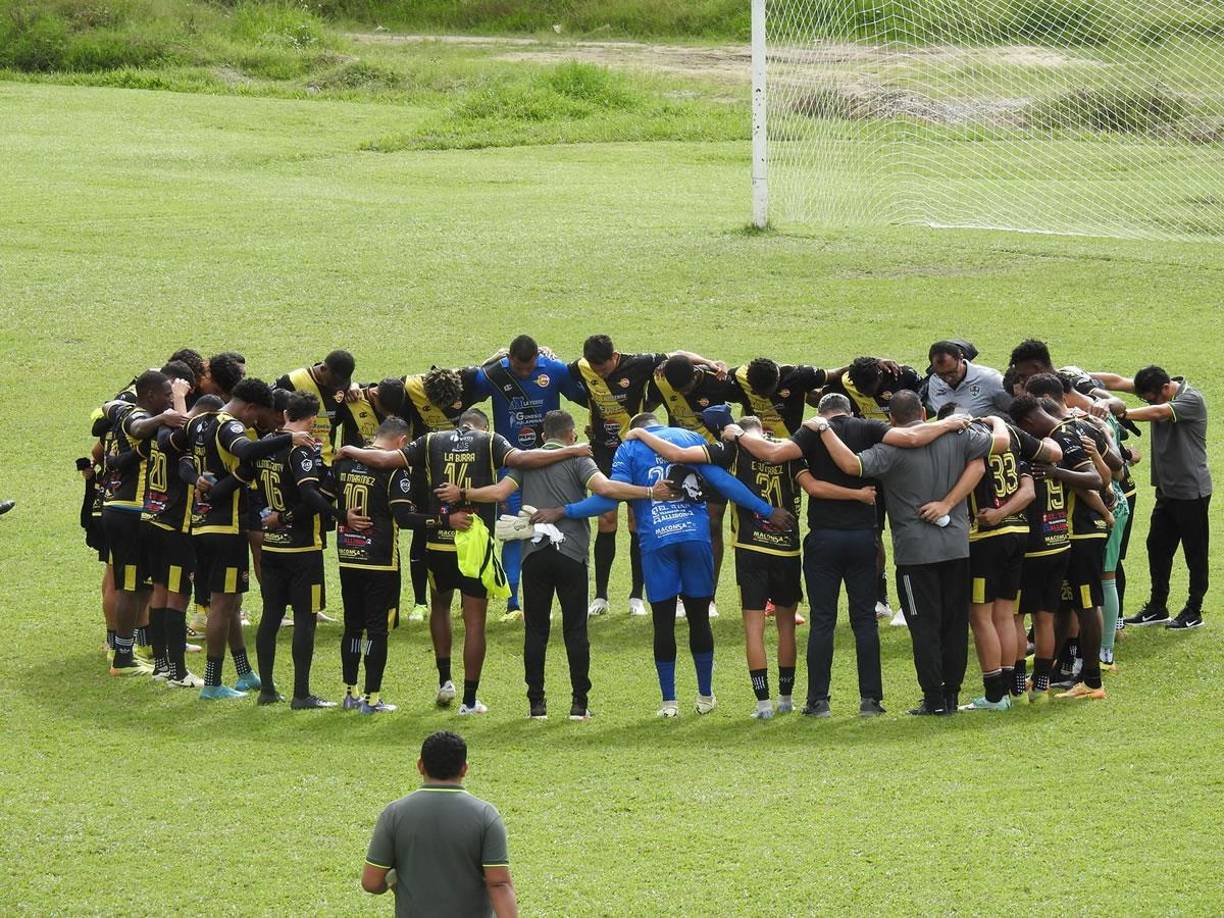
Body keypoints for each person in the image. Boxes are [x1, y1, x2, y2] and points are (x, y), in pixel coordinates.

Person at [336, 408, 590, 716]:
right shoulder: (489, 441)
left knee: (439, 607)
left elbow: (384, 460)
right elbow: (522, 461)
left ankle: (445, 681)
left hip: (438, 543)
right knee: (474, 622)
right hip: (473, 542)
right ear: (482, 427)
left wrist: (349, 448)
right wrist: (574, 449)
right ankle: (470, 701)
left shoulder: (430, 441)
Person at [733, 393, 974, 717]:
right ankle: (870, 701)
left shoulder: (813, 432)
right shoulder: (869, 428)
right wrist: (947, 423)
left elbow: (773, 454)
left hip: (823, 539)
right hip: (864, 538)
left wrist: (736, 432)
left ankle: (818, 701)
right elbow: (914, 435)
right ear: (849, 411)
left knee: (822, 621)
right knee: (864, 622)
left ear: (822, 413)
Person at [554, 412, 795, 717]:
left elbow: (607, 500)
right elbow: (724, 482)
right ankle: (706, 697)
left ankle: (669, 703)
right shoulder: (689, 438)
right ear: (658, 425)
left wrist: (564, 510)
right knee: (698, 618)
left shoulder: (629, 447)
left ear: (635, 429)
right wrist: (766, 509)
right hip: (696, 539)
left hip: (658, 543)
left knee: (663, 622)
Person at [440, 410, 671, 719]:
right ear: (572, 435)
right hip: (571, 553)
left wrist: (463, 492)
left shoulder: (525, 461)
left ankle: (537, 706)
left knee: (536, 631)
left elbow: (498, 494)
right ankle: (579, 705)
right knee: (576, 630)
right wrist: (649, 492)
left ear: (541, 436)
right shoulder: (579, 459)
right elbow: (606, 490)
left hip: (533, 555)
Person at [818, 391, 1009, 715]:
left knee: (924, 626)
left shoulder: (889, 450)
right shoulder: (959, 435)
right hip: (956, 548)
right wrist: (997, 420)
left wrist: (823, 431)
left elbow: (851, 465)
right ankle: (951, 696)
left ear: (891, 420)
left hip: (914, 553)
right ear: (923, 410)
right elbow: (1000, 444)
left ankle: (933, 698)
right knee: (953, 624)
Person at [628, 413, 805, 719]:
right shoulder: (790, 448)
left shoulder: (728, 451)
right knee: (786, 627)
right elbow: (810, 484)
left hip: (750, 549)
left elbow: (679, 456)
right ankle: (784, 699)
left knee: (753, 629)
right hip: (787, 549)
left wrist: (641, 438)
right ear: (763, 431)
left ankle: (762, 706)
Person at [568, 335, 723, 618]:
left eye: (602, 367)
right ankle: (600, 595)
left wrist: (709, 362)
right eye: (594, 368)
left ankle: (635, 596)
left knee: (635, 522)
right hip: (602, 450)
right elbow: (552, 368)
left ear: (614, 357)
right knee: (606, 519)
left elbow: (677, 353)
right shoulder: (583, 367)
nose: (599, 373)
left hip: (637, 451)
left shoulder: (639, 364)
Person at [183, 378, 312, 700]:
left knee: (231, 603)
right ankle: (212, 684)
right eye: (257, 416)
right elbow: (247, 450)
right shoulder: (230, 426)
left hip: (201, 524)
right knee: (222, 605)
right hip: (225, 527)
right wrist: (286, 439)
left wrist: (195, 478)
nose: (255, 423)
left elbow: (181, 458)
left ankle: (244, 673)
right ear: (251, 407)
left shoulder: (199, 422)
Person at [335, 417, 445, 714]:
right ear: (401, 442)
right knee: (377, 631)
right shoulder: (396, 470)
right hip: (381, 562)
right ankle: (372, 698)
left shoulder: (344, 461)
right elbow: (406, 518)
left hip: (348, 556)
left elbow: (326, 501)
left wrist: (343, 518)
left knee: (353, 627)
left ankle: (350, 692)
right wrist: (443, 520)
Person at [1009, 387, 1112, 701]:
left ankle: (1092, 680)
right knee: (1064, 605)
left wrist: (1056, 472)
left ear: (1028, 421)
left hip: (1081, 531)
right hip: (1071, 532)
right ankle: (1056, 672)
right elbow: (1110, 471)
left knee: (1085, 604)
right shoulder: (1077, 426)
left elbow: (1095, 480)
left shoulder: (1064, 435)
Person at [472, 335, 584, 621]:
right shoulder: (496, 373)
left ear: (537, 358)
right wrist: (488, 361)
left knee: (556, 526)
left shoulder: (554, 370)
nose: (523, 373)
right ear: (509, 357)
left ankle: (559, 600)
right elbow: (468, 389)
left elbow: (582, 395)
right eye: (518, 368)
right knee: (515, 531)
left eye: (529, 368)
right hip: (512, 465)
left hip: (550, 463)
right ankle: (513, 603)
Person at [363, 731, 517, 918]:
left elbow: (371, 882)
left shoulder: (394, 814)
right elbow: (499, 884)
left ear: (420, 766)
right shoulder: (485, 815)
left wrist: (392, 880)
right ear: (464, 769)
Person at [249, 391, 336, 709]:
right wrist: (337, 514)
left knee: (270, 616)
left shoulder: (267, 445)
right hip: (303, 549)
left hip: (272, 547)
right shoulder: (301, 450)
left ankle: (268, 690)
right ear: (311, 419)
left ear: (286, 413)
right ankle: (301, 694)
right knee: (305, 619)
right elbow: (310, 498)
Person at [99, 370, 189, 675]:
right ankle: (122, 657)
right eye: (165, 395)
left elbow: (107, 409)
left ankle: (134, 648)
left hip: (134, 512)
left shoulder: (123, 408)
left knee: (140, 587)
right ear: (149, 395)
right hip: (128, 511)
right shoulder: (136, 415)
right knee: (129, 586)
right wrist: (164, 418)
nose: (168, 399)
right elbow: (137, 425)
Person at [141, 392, 224, 688]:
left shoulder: (163, 429)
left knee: (160, 594)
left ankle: (162, 666)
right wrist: (196, 481)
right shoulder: (188, 437)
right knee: (177, 599)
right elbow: (185, 468)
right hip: (176, 528)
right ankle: (178, 673)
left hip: (152, 520)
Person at [1120, 366, 1211, 629]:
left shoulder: (1191, 400)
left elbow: (1160, 412)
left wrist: (1124, 413)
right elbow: (1116, 381)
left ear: (1165, 388)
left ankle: (1194, 610)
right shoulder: (1158, 392)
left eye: (1150, 397)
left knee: (1195, 552)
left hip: (1191, 492)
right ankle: (1158, 606)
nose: (1148, 402)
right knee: (1156, 546)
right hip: (1167, 492)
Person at [649, 355, 739, 618]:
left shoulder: (720, 384)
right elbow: (648, 405)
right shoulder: (662, 379)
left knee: (712, 524)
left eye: (687, 390)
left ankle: (708, 597)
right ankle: (678, 596)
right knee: (679, 525)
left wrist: (714, 365)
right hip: (680, 462)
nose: (683, 394)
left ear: (696, 377)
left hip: (715, 461)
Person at [397, 366, 487, 624]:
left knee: (466, 536)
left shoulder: (467, 379)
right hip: (424, 479)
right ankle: (419, 602)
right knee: (421, 536)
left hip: (463, 474)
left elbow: (491, 365)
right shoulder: (409, 388)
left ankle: (464, 599)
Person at [275, 350, 355, 466]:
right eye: (333, 383)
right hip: (294, 459)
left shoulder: (342, 384)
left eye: (341, 384)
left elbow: (337, 417)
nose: (336, 388)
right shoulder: (291, 381)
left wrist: (355, 387)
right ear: (323, 369)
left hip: (326, 462)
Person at [924, 340, 1014, 418]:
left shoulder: (990, 379)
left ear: (961, 359)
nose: (947, 379)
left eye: (952, 372)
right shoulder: (935, 382)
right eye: (941, 374)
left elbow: (1015, 411)